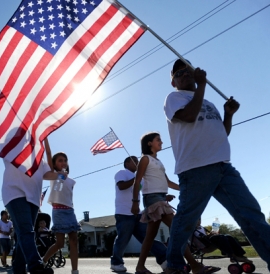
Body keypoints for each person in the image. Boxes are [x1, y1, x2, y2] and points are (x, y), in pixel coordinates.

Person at [163, 59, 270, 273]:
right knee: (186, 219)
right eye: (179, 73)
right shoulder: (174, 98)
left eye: (188, 70)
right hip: (195, 169)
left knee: (251, 214)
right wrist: (202, 85)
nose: (184, 74)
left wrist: (228, 114)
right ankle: (174, 265)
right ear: (173, 82)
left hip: (224, 167)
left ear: (195, 73)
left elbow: (222, 133)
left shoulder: (208, 103)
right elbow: (189, 116)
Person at [132, 133, 219, 274]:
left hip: (160, 197)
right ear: (149, 143)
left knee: (149, 238)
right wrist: (135, 202)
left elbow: (168, 182)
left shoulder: (158, 162)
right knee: (178, 229)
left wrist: (187, 188)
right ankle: (195, 266)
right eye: (158, 140)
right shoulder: (145, 159)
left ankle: (140, 267)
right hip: (153, 199)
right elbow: (137, 181)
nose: (161, 142)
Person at [2, 138, 63, 274]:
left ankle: (18, 269)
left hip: (34, 198)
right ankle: (35, 266)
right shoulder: (11, 147)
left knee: (22, 236)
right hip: (15, 193)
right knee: (26, 231)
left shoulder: (39, 156)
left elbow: (48, 174)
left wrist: (59, 174)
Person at [111, 156, 167, 273]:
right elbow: (121, 186)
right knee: (123, 238)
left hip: (138, 213)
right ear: (126, 163)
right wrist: (136, 178)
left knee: (147, 237)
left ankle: (164, 259)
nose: (137, 163)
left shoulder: (140, 178)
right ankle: (116, 263)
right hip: (124, 213)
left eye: (138, 161)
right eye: (135, 161)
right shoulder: (122, 173)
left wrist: (164, 197)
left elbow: (148, 192)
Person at [42, 140, 81, 274]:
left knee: (74, 240)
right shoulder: (54, 175)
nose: (63, 162)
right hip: (58, 212)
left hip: (70, 211)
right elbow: (48, 153)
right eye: (60, 160)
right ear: (54, 163)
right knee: (60, 243)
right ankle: (44, 260)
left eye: (65, 160)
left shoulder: (71, 181)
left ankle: (75, 270)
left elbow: (69, 198)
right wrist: (46, 139)